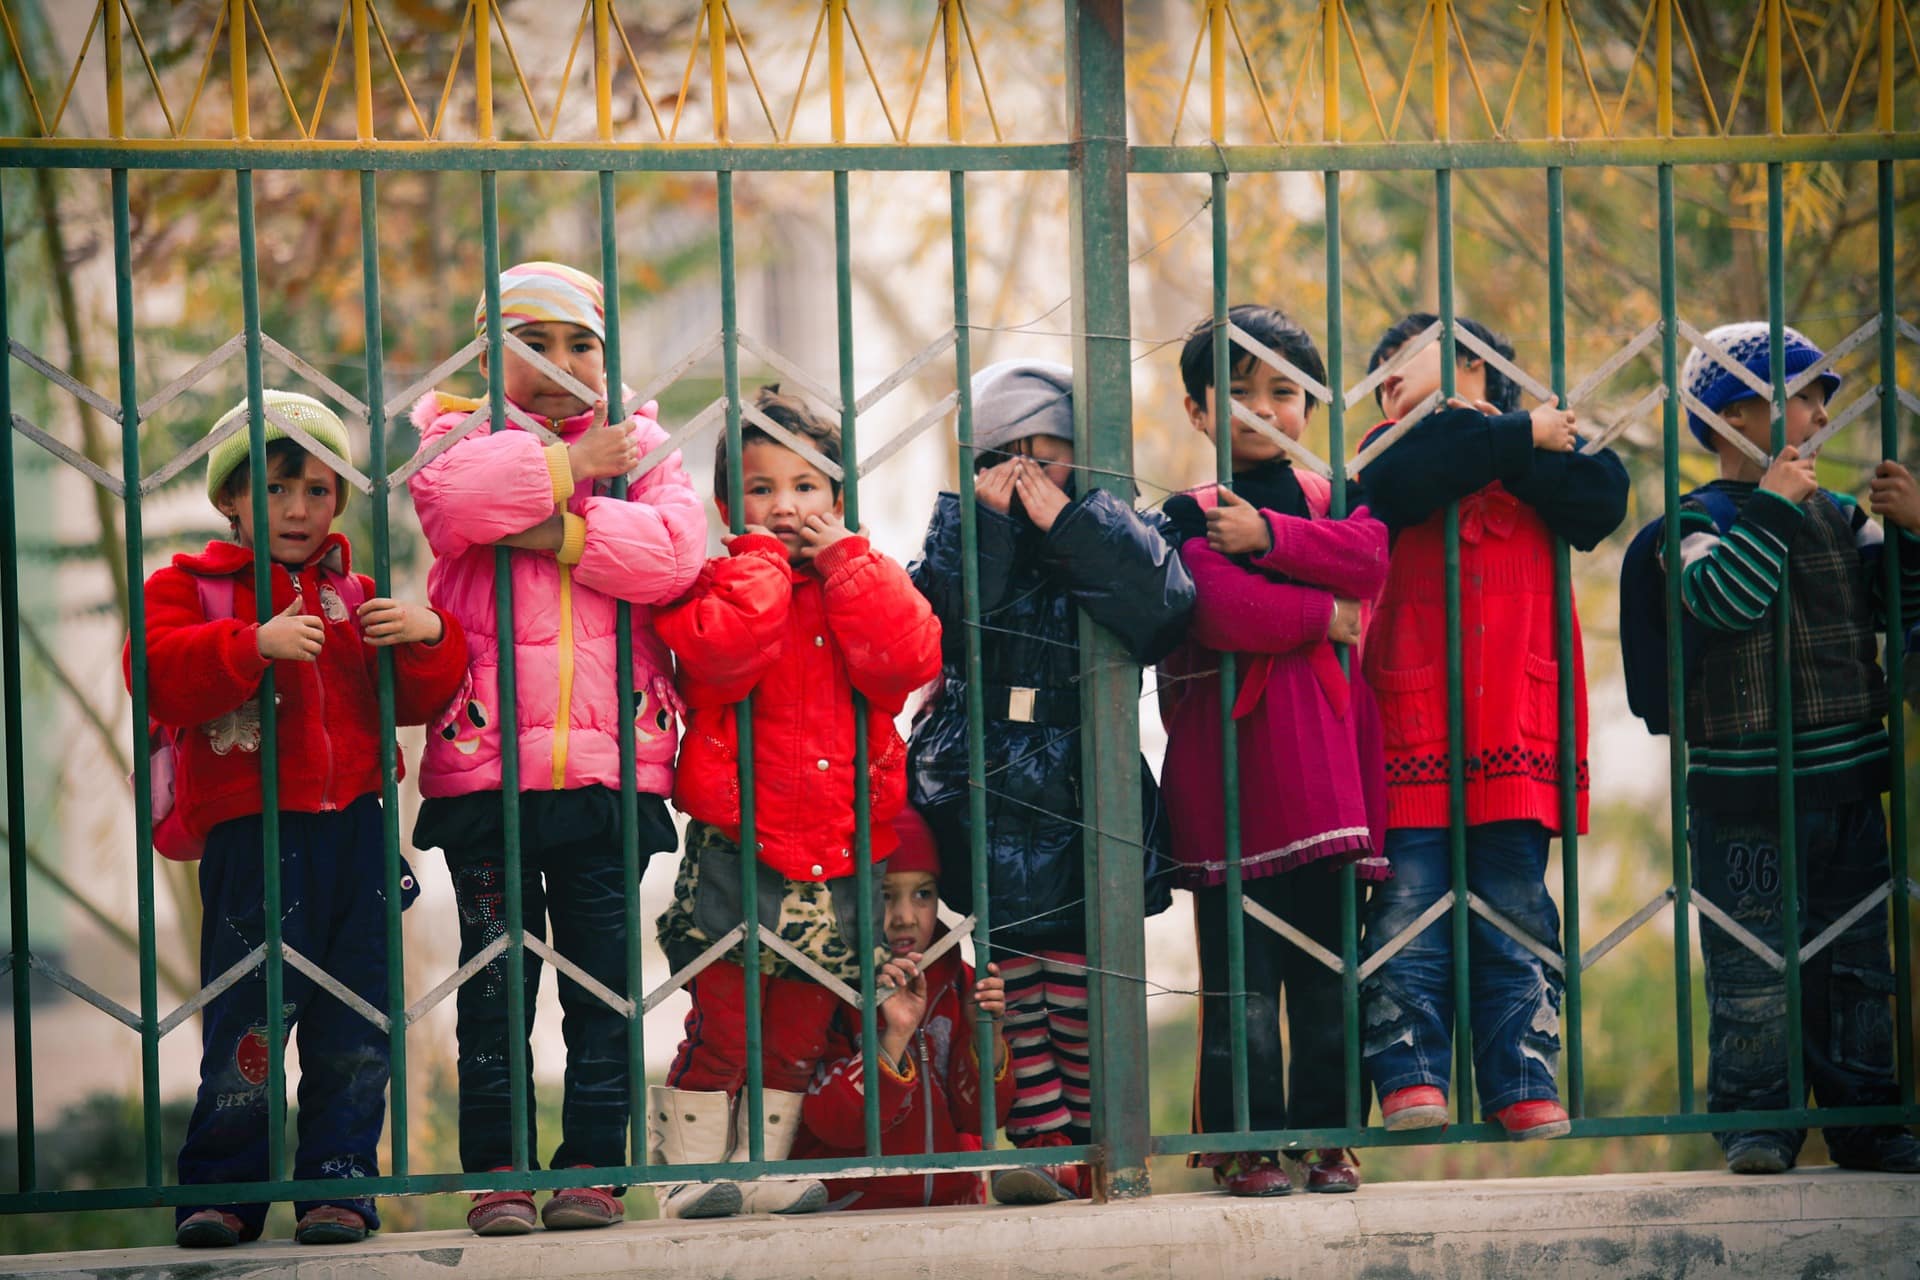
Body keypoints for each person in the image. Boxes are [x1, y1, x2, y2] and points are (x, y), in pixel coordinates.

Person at [407, 260, 707, 1235]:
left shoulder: (643, 444)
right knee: (496, 981)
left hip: (606, 769)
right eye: (534, 342)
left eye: (582, 343)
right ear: (490, 351)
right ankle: (497, 1167)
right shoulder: (458, 435)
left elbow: (671, 558)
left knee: (601, 979)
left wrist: (555, 534)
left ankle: (593, 1165)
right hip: (489, 764)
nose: (563, 362)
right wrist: (572, 472)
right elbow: (455, 510)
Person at [130, 391, 468, 1247]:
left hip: (354, 832)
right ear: (233, 498)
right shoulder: (191, 587)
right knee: (247, 1017)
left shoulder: (352, 594)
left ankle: (339, 1182)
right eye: (279, 487)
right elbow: (155, 672)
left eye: (320, 491)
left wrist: (428, 636)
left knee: (354, 1016)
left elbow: (417, 700)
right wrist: (251, 646)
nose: (299, 508)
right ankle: (224, 1190)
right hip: (255, 837)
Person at [652, 387, 942, 1219]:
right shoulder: (719, 584)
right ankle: (687, 1176)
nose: (786, 505)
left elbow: (905, 663)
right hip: (740, 843)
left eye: (807, 487)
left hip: (843, 847)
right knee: (726, 1019)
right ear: (725, 505)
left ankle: (764, 1174)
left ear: (839, 500)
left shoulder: (864, 579)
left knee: (801, 1027)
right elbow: (717, 662)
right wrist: (761, 570)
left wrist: (848, 562)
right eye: (762, 488)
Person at [906, 359, 1191, 1205]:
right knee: (1010, 973)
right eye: (1005, 454)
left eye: (1047, 452)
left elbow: (1162, 610)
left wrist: (1067, 520)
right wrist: (990, 526)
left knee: (1079, 969)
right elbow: (950, 624)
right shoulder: (959, 526)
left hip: (1079, 776)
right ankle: (1036, 1142)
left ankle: (1096, 1140)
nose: (1025, 473)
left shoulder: (1106, 522)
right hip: (984, 774)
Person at [1355, 313, 1627, 1142]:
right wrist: (1513, 434)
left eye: (1402, 358)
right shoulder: (1386, 454)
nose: (1384, 376)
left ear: (1474, 362)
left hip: (1517, 721)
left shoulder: (1543, 456)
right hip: (1414, 724)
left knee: (1514, 906)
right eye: (1377, 370)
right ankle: (1409, 1071)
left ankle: (1521, 1075)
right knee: (1406, 902)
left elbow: (1601, 500)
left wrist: (1515, 438)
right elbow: (1404, 484)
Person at [1663, 321, 1920, 1175]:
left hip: (1847, 784)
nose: (1818, 415)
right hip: (1742, 798)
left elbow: (1897, 614)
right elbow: (1722, 600)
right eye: (1802, 398)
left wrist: (1911, 530)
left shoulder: (1846, 519)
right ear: (1739, 416)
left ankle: (1867, 1118)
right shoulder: (1696, 523)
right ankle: (1757, 1123)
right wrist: (1770, 507)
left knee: (1856, 963)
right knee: (1751, 968)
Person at [1158, 306, 1390, 1196]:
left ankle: (1329, 1138)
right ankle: (1247, 1145)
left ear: (1311, 403)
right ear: (1197, 409)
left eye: (1283, 393)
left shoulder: (1335, 497)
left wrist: (1273, 540)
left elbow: (1369, 562)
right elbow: (1220, 609)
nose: (1262, 410)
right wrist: (1320, 614)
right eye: (1239, 392)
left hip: (1331, 781)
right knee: (1242, 994)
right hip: (1233, 782)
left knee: (1331, 983)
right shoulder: (1188, 509)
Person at [794, 806, 1013, 1209]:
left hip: (956, 1211)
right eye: (885, 895)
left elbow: (982, 1119)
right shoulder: (826, 987)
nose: (905, 918)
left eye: (923, 894)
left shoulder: (960, 981)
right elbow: (833, 1124)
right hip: (850, 1218)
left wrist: (989, 1038)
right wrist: (893, 1037)